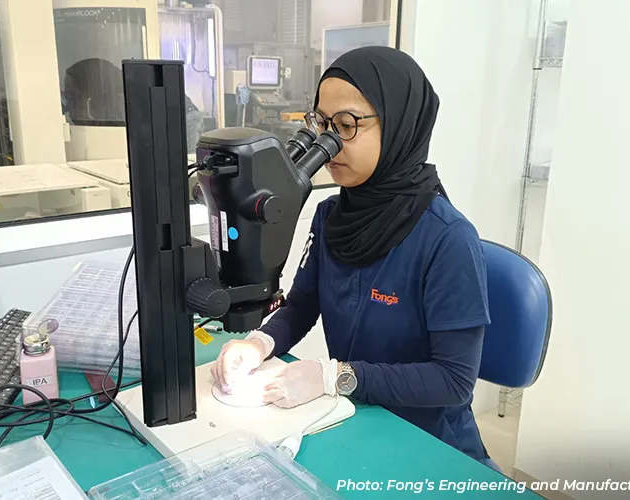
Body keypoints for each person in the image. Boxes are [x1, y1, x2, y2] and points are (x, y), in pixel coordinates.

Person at [211, 46, 497, 469]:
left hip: (429, 445)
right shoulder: (331, 215)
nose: (329, 143)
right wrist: (259, 344)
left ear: (399, 125)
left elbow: (453, 381)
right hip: (354, 418)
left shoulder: (448, 240)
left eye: (345, 125)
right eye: (321, 124)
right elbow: (303, 304)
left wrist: (334, 376)